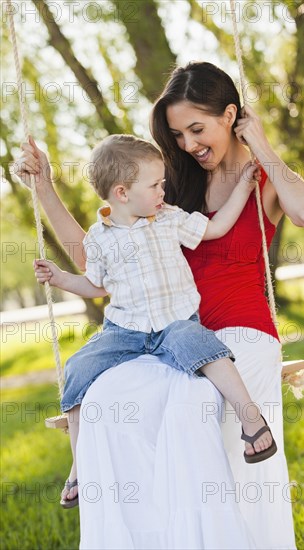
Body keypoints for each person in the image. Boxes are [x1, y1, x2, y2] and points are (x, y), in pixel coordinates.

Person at [15, 61, 304, 549]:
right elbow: (96, 256)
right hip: (170, 335)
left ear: (230, 115)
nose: (187, 144)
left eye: (196, 129)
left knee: (192, 411)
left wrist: (260, 145)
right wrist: (45, 187)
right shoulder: (169, 191)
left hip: (242, 332)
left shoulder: (261, 180)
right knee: (106, 406)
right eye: (177, 134)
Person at [33, 133, 277, 509]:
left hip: (174, 321)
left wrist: (245, 188)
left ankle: (251, 418)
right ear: (122, 193)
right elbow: (97, 286)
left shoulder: (168, 219)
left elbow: (215, 229)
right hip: (124, 330)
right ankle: (81, 464)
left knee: (202, 346)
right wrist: (60, 278)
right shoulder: (99, 239)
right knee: (78, 369)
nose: (164, 189)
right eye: (155, 184)